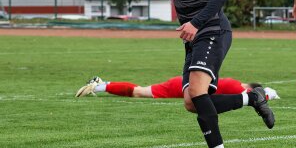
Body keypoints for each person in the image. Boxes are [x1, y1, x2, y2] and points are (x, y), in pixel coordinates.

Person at [92, 0, 275, 148]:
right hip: (194, 36)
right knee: (191, 102)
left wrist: (196, 23)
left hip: (212, 31)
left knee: (198, 94)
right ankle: (251, 99)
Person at [75, 76, 280, 100]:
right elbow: (255, 96)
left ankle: (102, 83)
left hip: (184, 82)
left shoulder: (233, 83)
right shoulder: (238, 87)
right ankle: (101, 85)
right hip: (183, 87)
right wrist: (270, 94)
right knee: (139, 92)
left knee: (140, 90)